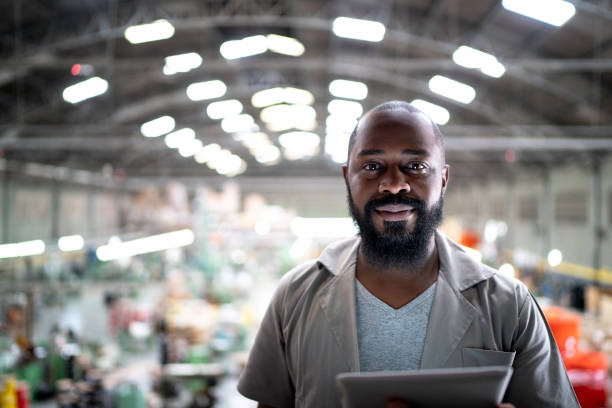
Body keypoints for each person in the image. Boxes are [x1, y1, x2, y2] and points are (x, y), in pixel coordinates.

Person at [237, 101, 579, 407]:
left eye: (415, 166)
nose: (394, 184)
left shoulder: (508, 304)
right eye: (372, 167)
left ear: (443, 179)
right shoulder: (295, 296)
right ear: (347, 178)